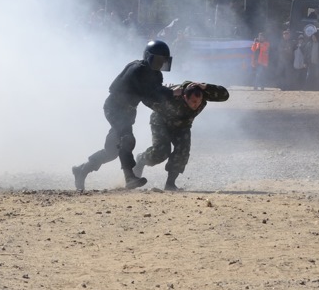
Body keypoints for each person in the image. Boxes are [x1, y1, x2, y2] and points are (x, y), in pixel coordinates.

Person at [72, 40, 179, 191]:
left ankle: (81, 170)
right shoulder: (136, 69)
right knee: (127, 139)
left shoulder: (156, 75)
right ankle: (129, 177)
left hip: (128, 112)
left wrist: (169, 98)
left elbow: (151, 97)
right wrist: (171, 93)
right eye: (157, 60)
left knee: (111, 151)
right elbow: (150, 92)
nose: (160, 64)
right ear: (148, 57)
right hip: (115, 108)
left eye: (163, 61)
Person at [130, 81, 230, 191]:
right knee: (161, 152)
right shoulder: (174, 96)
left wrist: (206, 86)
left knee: (183, 151)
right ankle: (141, 160)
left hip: (182, 125)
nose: (196, 105)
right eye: (193, 101)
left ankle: (170, 184)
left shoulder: (201, 93)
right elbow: (147, 98)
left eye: (199, 101)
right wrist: (167, 92)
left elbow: (225, 95)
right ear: (185, 97)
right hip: (161, 122)